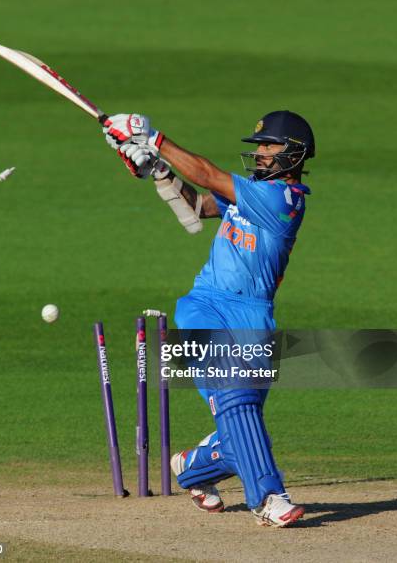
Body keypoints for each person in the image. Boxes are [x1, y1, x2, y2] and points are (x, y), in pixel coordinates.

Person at [102, 110, 314, 527]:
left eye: (271, 147)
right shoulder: (254, 190)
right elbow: (198, 205)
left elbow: (207, 175)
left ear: (295, 154)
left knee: (241, 424)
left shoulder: (281, 199)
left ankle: (193, 467)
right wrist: (158, 171)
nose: (262, 154)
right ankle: (269, 499)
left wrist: (152, 137)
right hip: (204, 305)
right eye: (261, 147)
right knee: (236, 397)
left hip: (253, 315)